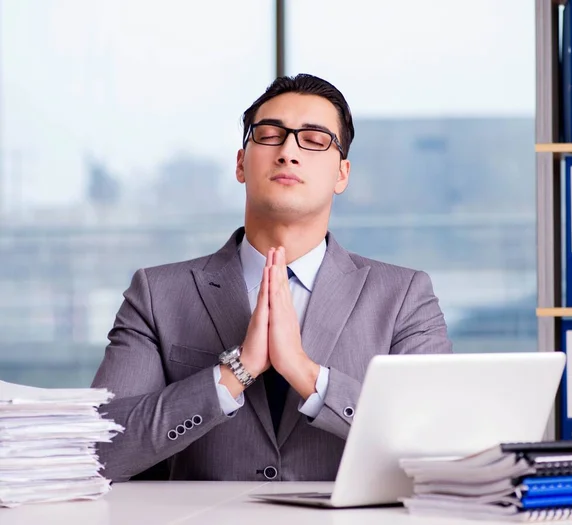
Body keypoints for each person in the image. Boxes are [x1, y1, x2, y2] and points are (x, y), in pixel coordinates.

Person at [91, 73, 453, 483]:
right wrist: (234, 373)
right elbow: (99, 451)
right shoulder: (156, 295)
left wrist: (307, 375)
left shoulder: (405, 296)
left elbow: (436, 445)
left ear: (342, 174)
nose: (288, 152)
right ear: (241, 163)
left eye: (314, 140)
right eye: (269, 135)